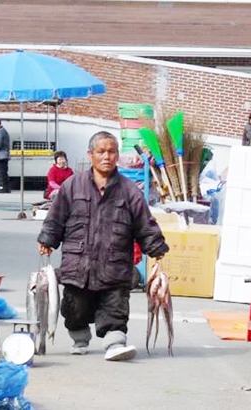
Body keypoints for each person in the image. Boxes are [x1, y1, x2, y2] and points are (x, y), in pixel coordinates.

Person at [37, 131, 169, 362]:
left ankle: (115, 342)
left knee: (115, 308)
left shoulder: (129, 191)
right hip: (78, 265)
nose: (106, 156)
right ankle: (79, 336)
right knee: (75, 308)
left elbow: (144, 223)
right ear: (91, 155)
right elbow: (56, 217)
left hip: (115, 266)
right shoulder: (72, 186)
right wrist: (47, 240)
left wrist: (156, 250)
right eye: (101, 152)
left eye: (111, 151)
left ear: (117, 155)